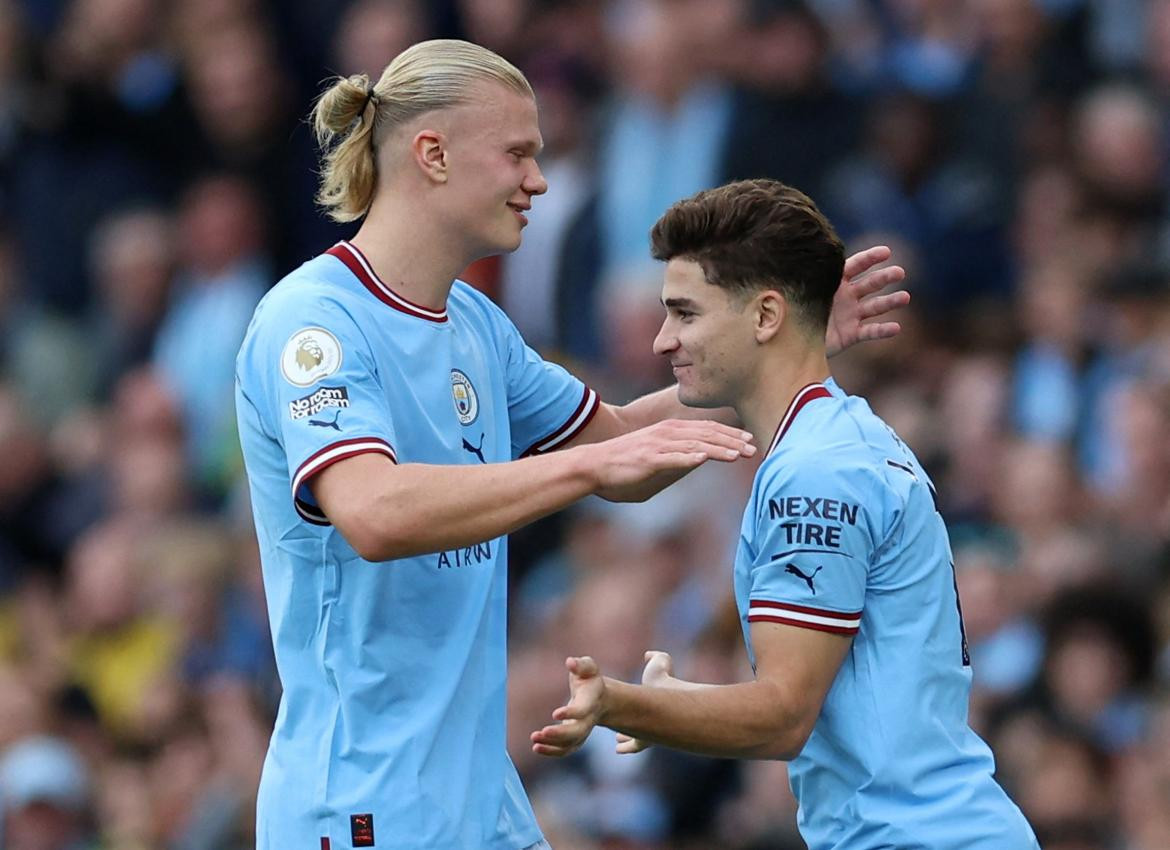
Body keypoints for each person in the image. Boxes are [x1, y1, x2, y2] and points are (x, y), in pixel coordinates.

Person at [235, 41, 905, 850]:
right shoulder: (313, 323)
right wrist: (581, 466)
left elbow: (622, 446)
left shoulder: (478, 325)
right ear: (433, 154)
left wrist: (781, 349)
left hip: (481, 795)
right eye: (518, 153)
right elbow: (373, 513)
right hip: (360, 800)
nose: (539, 181)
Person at [531, 179, 1039, 849]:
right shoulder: (831, 441)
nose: (661, 341)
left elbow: (783, 715)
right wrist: (679, 702)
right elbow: (617, 445)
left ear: (766, 318)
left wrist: (622, 704)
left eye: (685, 313)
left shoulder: (816, 472)